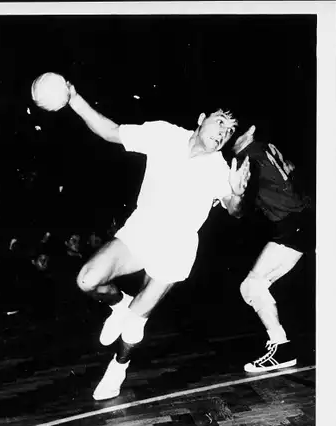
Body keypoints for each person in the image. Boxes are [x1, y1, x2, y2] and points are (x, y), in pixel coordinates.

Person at [65, 81, 249, 400]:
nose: (224, 132)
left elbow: (235, 210)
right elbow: (111, 131)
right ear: (201, 118)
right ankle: (117, 303)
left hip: (176, 247)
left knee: (135, 324)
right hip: (141, 229)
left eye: (230, 131)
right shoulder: (165, 134)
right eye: (221, 122)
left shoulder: (220, 169)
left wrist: (237, 191)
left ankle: (117, 369)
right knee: (86, 281)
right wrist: (74, 98)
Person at [227, 125, 315, 374]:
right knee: (257, 284)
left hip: (294, 223)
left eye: (234, 130)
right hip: (301, 221)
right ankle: (280, 344)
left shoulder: (248, 158)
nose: (228, 136)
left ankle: (281, 347)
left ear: (250, 131)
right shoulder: (268, 149)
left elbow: (239, 209)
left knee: (252, 285)